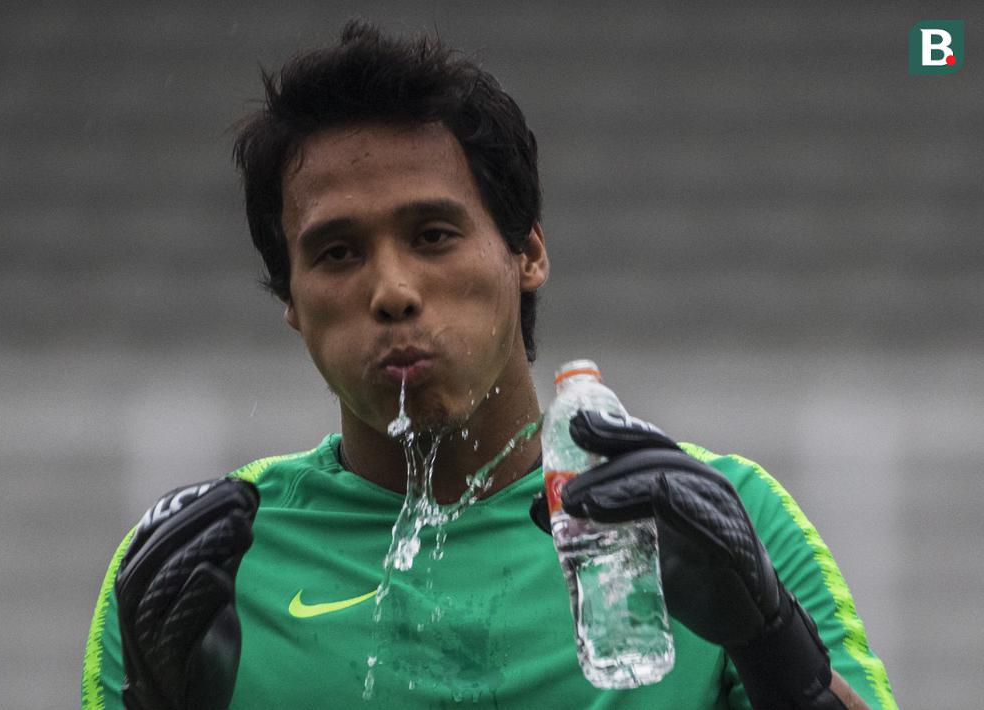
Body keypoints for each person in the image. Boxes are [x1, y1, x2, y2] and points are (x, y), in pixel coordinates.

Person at [83, 21, 897, 710]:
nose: (392, 291)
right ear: (290, 299)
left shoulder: (713, 523)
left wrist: (772, 644)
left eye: (433, 235)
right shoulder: (197, 570)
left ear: (527, 252)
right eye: (336, 253)